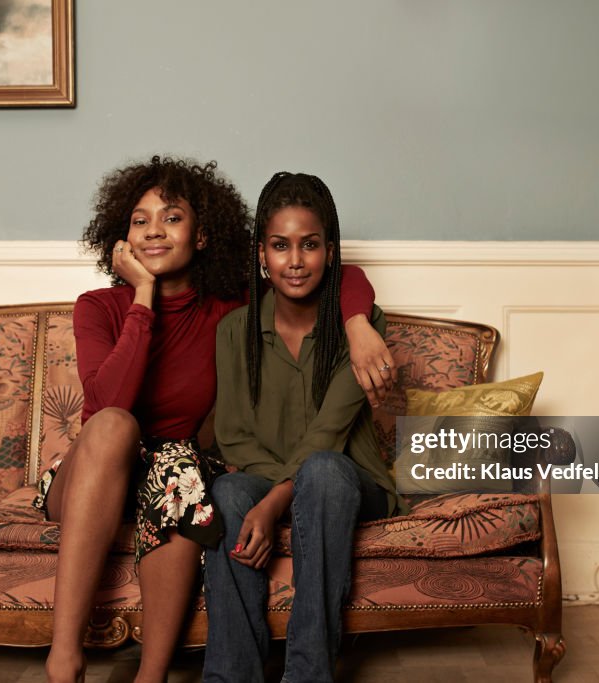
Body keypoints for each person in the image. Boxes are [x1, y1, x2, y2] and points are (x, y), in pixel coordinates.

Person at [37, 156, 395, 683]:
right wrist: (142, 298)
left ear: (203, 235)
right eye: (140, 220)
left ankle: (154, 676)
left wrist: (359, 321)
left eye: (173, 217)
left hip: (176, 473)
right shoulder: (100, 306)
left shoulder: (227, 311)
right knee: (121, 428)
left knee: (194, 475)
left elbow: (328, 273)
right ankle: (64, 656)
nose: (154, 230)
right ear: (121, 238)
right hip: (97, 471)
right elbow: (106, 405)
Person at [204, 172, 407, 683]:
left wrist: (274, 503)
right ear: (261, 255)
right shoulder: (234, 331)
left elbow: (328, 435)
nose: (295, 261)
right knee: (228, 492)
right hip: (275, 478)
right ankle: (231, 677)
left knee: (322, 470)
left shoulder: (362, 328)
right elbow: (232, 436)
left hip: (351, 481)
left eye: (309, 245)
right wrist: (273, 495)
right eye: (280, 246)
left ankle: (308, 675)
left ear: (330, 252)